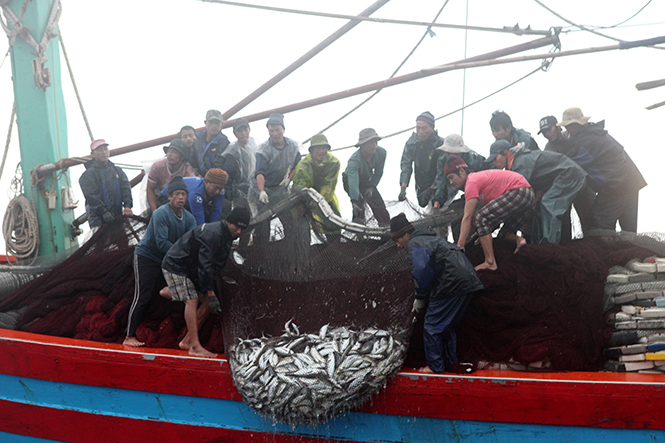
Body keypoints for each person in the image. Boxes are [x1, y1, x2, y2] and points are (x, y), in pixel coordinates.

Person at [391, 212, 483, 374]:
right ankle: (451, 362)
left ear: (406, 234)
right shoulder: (431, 238)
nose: (398, 245)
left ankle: (435, 367)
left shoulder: (415, 243)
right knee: (447, 325)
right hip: (468, 281)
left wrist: (420, 297)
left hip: (452, 282)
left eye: (397, 240)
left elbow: (422, 270)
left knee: (432, 325)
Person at [161, 207, 251, 357]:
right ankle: (195, 347)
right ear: (228, 221)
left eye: (243, 229)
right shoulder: (213, 234)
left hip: (191, 270)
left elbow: (215, 266)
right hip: (176, 265)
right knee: (192, 300)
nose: (239, 232)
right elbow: (205, 265)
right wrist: (210, 293)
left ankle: (187, 341)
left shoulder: (228, 236)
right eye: (237, 226)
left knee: (209, 304)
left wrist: (212, 295)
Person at [124, 176, 197, 347]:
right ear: (170, 196)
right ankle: (129, 335)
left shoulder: (189, 218)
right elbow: (162, 243)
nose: (181, 197)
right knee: (143, 295)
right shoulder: (160, 214)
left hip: (168, 259)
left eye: (184, 194)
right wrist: (182, 259)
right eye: (177, 194)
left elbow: (192, 242)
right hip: (147, 257)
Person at [557, 107, 647, 232]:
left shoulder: (585, 141)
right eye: (567, 126)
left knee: (599, 224)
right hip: (630, 180)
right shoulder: (594, 132)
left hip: (617, 184)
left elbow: (569, 164)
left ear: (580, 123)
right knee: (628, 227)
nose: (570, 129)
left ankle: (610, 251)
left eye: (573, 125)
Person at [486, 139, 588, 244]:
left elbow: (515, 195)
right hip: (563, 177)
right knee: (537, 207)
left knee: (548, 203)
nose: (494, 163)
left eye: (495, 158)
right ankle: (539, 242)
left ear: (506, 153)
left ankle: (549, 245)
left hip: (569, 175)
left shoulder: (520, 162)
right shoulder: (516, 163)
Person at [445, 155, 535, 271]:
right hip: (527, 196)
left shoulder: (471, 182)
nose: (451, 182)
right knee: (505, 234)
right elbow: (493, 217)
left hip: (519, 191)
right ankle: (520, 240)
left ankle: (490, 261)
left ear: (461, 171)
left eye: (451, 177)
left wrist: (460, 246)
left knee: (481, 217)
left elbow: (468, 217)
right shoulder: (480, 181)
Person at [251, 113, 301, 244]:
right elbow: (260, 172)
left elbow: (297, 165)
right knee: (263, 219)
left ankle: (290, 246)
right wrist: (261, 191)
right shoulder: (263, 149)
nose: (275, 133)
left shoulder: (293, 146)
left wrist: (289, 179)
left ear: (283, 129)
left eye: (277, 130)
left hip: (280, 186)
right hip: (263, 185)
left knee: (287, 217)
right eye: (271, 130)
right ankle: (260, 249)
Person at [79, 139, 133, 228]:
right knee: (101, 241)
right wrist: (103, 212)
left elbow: (126, 189)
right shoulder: (88, 175)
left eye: (105, 149)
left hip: (117, 215)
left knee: (121, 240)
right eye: (100, 150)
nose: (103, 152)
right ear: (92, 154)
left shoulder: (117, 171)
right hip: (97, 219)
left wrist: (127, 206)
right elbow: (91, 197)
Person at [342, 128, 390, 225]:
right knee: (359, 206)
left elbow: (378, 172)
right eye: (370, 143)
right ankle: (358, 232)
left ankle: (386, 229)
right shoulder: (354, 161)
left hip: (366, 180)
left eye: (375, 142)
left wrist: (372, 187)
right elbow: (353, 182)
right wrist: (354, 201)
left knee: (378, 204)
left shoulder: (381, 153)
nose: (374, 146)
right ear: (362, 145)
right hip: (350, 180)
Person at [399, 111, 445, 207]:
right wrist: (403, 187)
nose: (421, 132)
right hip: (421, 184)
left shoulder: (440, 145)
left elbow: (442, 172)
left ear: (432, 128)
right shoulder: (412, 143)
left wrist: (433, 188)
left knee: (436, 208)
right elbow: (406, 165)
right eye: (418, 128)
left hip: (441, 184)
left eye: (424, 128)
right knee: (424, 204)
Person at [432, 134, 487, 209]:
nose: (449, 155)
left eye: (452, 152)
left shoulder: (475, 160)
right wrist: (437, 199)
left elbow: (482, 180)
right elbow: (441, 181)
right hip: (464, 189)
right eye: (447, 152)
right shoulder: (442, 161)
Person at [292, 133, 341, 215]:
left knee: (334, 222)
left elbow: (329, 185)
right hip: (304, 198)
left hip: (325, 198)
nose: (322, 151)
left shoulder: (334, 163)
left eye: (324, 148)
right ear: (312, 150)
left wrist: (320, 202)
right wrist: (309, 201)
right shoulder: (303, 166)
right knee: (301, 222)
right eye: (318, 148)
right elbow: (301, 187)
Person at [158, 169, 228, 225]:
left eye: (220, 188)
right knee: (185, 219)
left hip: (187, 202)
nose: (218, 191)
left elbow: (216, 210)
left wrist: (213, 230)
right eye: (216, 188)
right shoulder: (196, 193)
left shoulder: (221, 191)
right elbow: (198, 218)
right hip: (167, 198)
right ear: (206, 182)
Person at [218, 118, 257, 217]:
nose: (243, 133)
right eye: (239, 131)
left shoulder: (254, 143)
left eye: (245, 129)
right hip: (240, 192)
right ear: (235, 133)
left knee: (260, 217)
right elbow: (226, 171)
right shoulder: (233, 149)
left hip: (256, 188)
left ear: (249, 129)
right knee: (243, 219)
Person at [146, 138, 196, 213]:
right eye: (168, 151)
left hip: (177, 202)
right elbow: (150, 189)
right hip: (157, 200)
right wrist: (155, 211)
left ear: (182, 156)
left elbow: (191, 194)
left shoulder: (188, 172)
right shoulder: (157, 166)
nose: (169, 155)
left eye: (174, 152)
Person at [193, 110, 230, 177]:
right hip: (198, 178)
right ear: (205, 122)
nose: (214, 126)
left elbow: (219, 165)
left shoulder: (225, 143)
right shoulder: (196, 140)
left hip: (215, 180)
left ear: (221, 124)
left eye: (217, 123)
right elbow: (191, 159)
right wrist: (197, 174)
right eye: (211, 122)